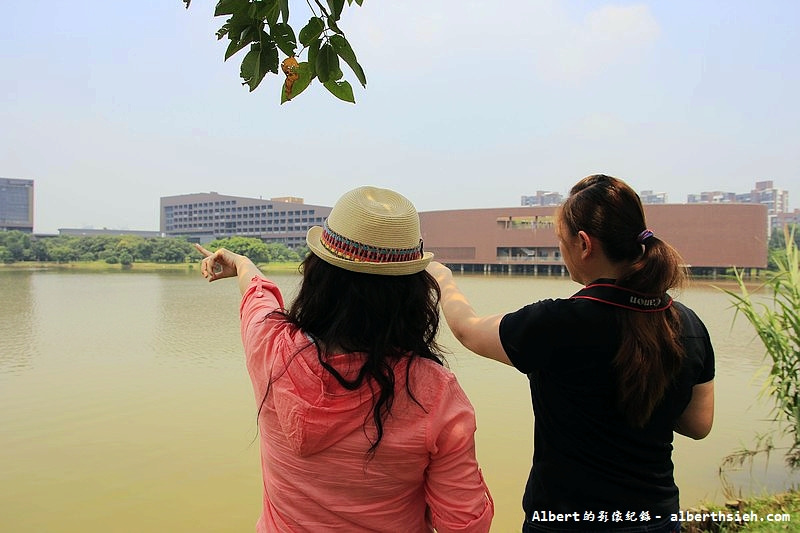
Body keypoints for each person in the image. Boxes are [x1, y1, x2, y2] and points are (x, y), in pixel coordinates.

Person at [195, 186, 493, 533]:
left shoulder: (271, 346)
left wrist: (242, 263)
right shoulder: (434, 393)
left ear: (316, 275)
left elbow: (257, 297)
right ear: (412, 293)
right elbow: (465, 523)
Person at [426, 174, 714, 533]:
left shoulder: (558, 324)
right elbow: (698, 425)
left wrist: (442, 279)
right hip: (654, 519)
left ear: (584, 243)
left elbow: (468, 330)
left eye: (560, 241)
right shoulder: (687, 324)